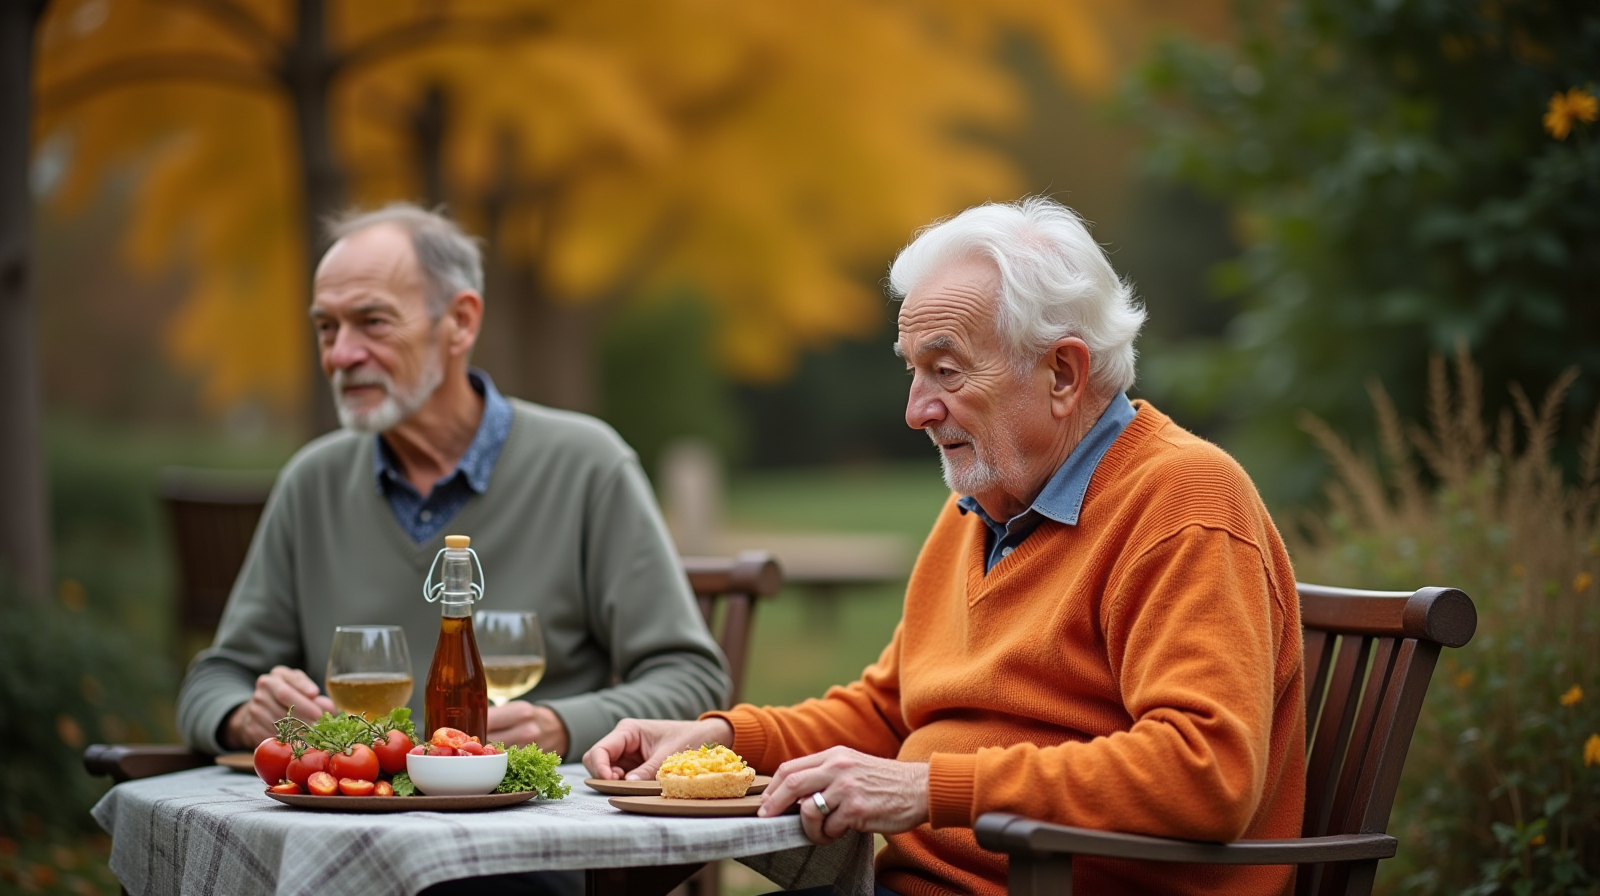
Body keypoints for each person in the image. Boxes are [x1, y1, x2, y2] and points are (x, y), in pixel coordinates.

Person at [585, 197, 1306, 896]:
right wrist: (719, 738)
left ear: (1063, 373)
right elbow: (890, 710)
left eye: (947, 370)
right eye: (912, 370)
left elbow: (1204, 772)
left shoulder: (1184, 501)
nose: (916, 410)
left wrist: (930, 789)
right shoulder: (981, 504)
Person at [176, 203, 730, 763]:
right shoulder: (311, 482)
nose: (341, 354)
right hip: (350, 819)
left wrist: (563, 726)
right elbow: (213, 681)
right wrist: (243, 715)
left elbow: (692, 680)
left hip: (530, 831)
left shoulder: (588, 466)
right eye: (326, 327)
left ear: (461, 322)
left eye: (372, 322)